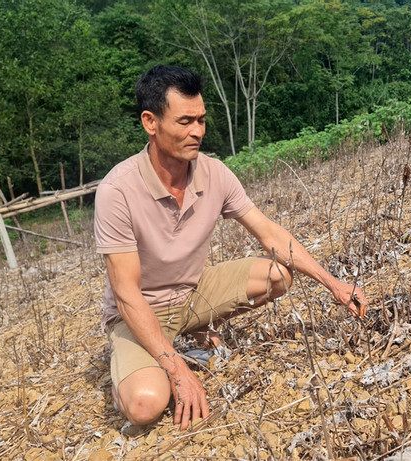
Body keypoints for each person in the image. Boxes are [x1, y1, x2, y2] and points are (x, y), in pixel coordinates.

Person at [94, 65, 368, 430]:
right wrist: (176, 367)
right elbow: (126, 293)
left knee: (277, 275)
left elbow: (269, 233)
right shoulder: (117, 191)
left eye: (202, 120)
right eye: (185, 121)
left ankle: (196, 328)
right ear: (150, 122)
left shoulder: (215, 173)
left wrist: (334, 284)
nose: (198, 132)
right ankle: (127, 366)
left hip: (191, 295)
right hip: (139, 312)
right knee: (145, 406)